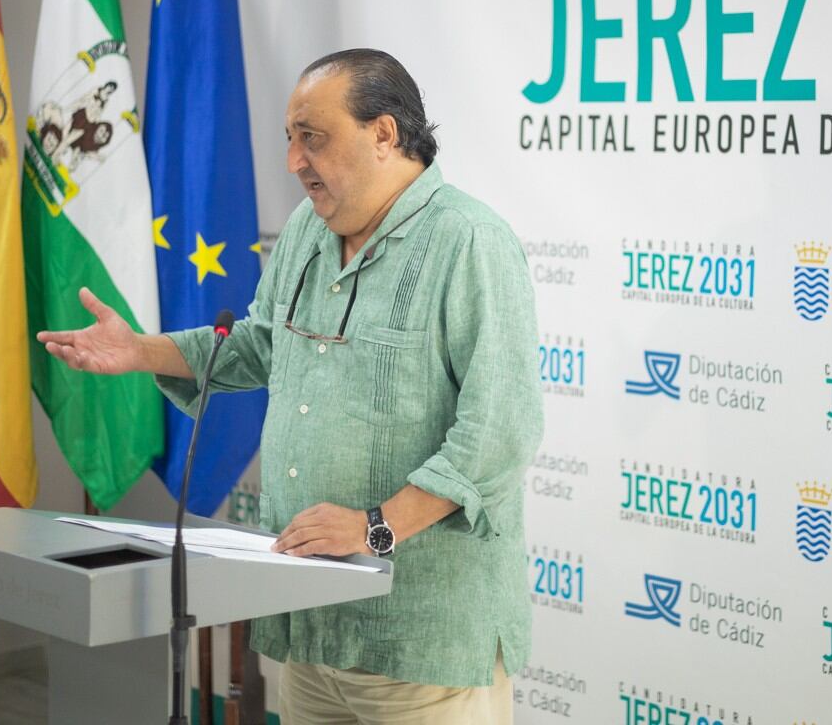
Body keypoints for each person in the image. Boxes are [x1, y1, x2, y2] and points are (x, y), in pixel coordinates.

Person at [38, 48, 543, 725]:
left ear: (384, 134)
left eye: (314, 138)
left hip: (420, 645)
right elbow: (259, 345)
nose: (294, 162)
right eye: (290, 139)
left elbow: (498, 435)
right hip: (309, 629)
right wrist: (139, 352)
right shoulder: (309, 230)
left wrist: (376, 527)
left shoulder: (470, 242)